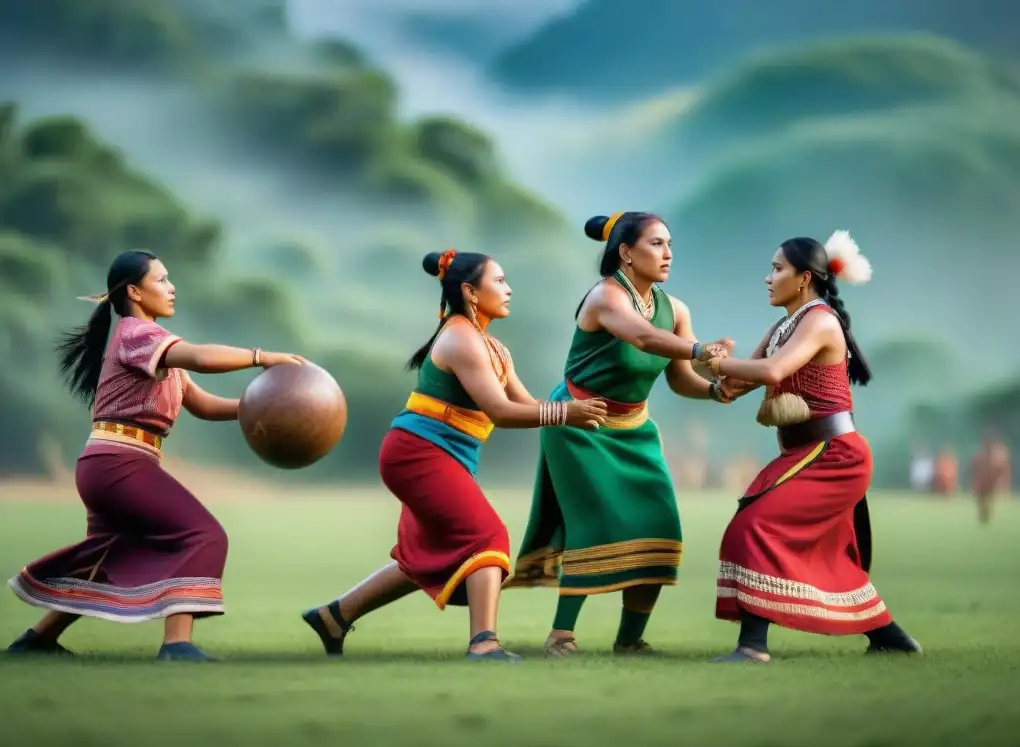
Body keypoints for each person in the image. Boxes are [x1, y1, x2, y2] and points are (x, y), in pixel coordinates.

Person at [301, 250, 608, 662]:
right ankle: (484, 642)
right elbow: (501, 412)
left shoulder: (493, 347)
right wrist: (565, 413)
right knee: (487, 537)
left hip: (442, 455)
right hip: (419, 453)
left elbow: (526, 404)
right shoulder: (461, 338)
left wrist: (575, 409)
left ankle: (334, 616)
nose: (509, 288)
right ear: (470, 291)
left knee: (421, 557)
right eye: (499, 281)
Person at [6, 250, 304, 661]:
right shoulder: (136, 334)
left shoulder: (158, 348)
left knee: (110, 549)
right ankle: (177, 645)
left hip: (111, 463)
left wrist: (268, 406)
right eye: (161, 280)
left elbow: (203, 404)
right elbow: (201, 357)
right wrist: (261, 358)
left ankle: (36, 640)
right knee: (203, 533)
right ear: (134, 292)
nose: (171, 287)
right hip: (118, 463)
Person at [504, 212, 735, 657]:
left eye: (669, 244)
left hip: (635, 427)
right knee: (594, 525)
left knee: (660, 523)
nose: (667, 253)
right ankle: (561, 636)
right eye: (655, 244)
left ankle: (630, 639)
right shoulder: (605, 296)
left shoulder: (676, 309)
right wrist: (702, 350)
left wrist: (715, 389)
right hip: (580, 423)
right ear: (626, 252)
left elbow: (680, 377)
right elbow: (645, 339)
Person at [710, 231, 920, 662]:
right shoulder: (784, 325)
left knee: (753, 527)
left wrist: (716, 362)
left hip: (835, 456)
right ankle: (890, 637)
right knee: (829, 553)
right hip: (804, 455)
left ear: (804, 278)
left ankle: (752, 648)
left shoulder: (820, 320)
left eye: (777, 269)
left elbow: (773, 371)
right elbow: (736, 384)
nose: (768, 278)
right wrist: (702, 364)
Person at [972, 431, 1011, 525]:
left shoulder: (999, 454)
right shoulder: (981, 454)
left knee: (988, 498)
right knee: (981, 498)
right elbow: (976, 467)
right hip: (983, 481)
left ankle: (986, 513)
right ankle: (984, 513)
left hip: (991, 481)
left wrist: (999, 479)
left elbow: (1002, 468)